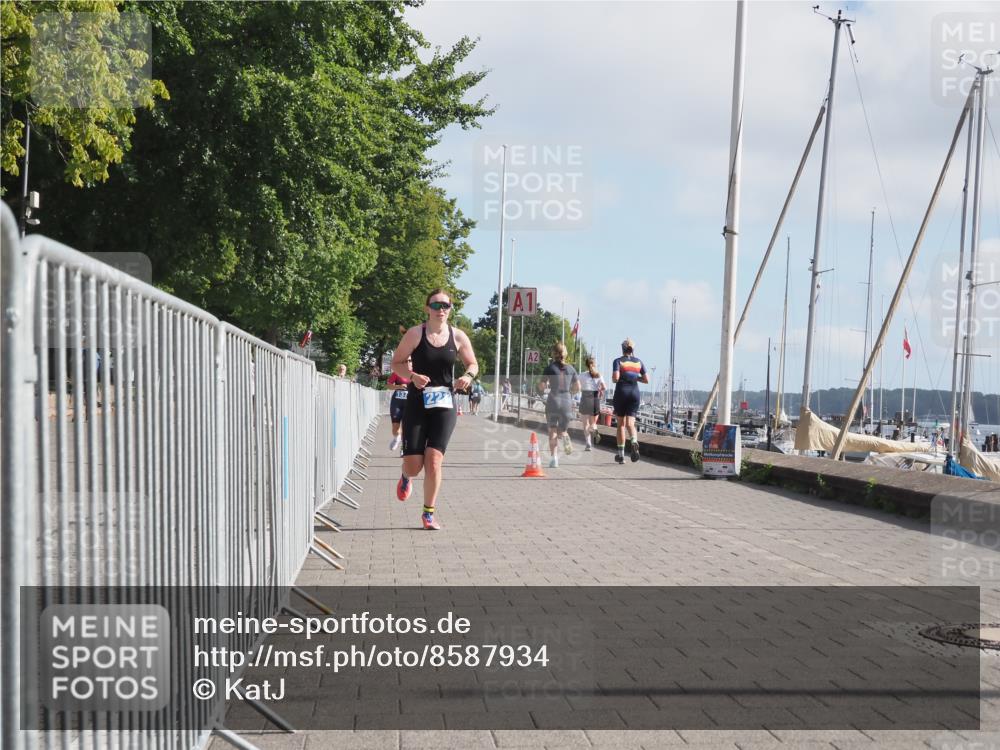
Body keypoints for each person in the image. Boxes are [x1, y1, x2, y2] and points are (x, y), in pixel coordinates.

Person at [390, 289, 478, 530]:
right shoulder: (415, 334)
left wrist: (468, 376)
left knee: (434, 460)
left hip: (445, 404)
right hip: (417, 403)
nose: (441, 310)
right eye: (436, 305)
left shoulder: (458, 336)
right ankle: (406, 476)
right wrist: (412, 376)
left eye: (445, 305)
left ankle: (428, 514)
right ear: (427, 308)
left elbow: (472, 363)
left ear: (450, 309)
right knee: (414, 465)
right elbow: (396, 362)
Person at [537, 342, 580, 468]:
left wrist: (540, 388)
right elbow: (578, 387)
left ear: (554, 353)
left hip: (553, 400)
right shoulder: (571, 369)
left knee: (552, 431)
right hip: (567, 400)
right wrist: (571, 392)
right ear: (565, 353)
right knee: (563, 430)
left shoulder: (549, 368)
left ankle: (554, 459)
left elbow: (542, 386)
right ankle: (565, 436)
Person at [612, 338, 648, 464]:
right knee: (630, 424)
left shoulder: (618, 361)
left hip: (622, 393)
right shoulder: (639, 362)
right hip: (634, 393)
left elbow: (616, 378)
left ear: (622, 349)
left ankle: (621, 456)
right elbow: (646, 379)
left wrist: (617, 378)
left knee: (621, 425)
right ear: (633, 349)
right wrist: (635, 378)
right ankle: (633, 441)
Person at [578, 356, 607, 451]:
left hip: (585, 399)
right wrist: (600, 389)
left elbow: (577, 386)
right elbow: (604, 387)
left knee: (585, 424)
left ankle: (588, 444)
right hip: (595, 399)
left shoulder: (581, 375)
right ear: (594, 364)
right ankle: (594, 430)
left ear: (586, 365)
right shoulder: (599, 375)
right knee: (593, 422)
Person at [386, 357, 411, 451]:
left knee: (406, 427)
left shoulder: (416, 373)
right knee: (395, 427)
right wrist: (399, 386)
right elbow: (388, 385)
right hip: (397, 403)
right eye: (405, 361)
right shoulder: (397, 373)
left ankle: (404, 448)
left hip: (410, 404)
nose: (408, 363)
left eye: (410, 361)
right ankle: (397, 438)